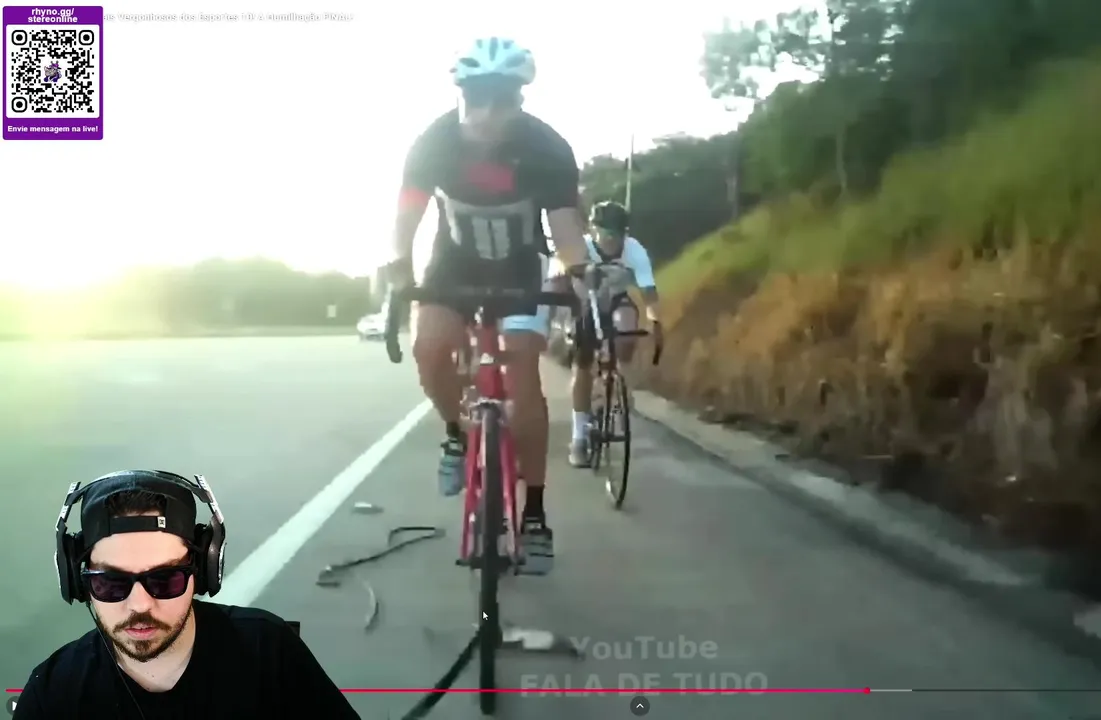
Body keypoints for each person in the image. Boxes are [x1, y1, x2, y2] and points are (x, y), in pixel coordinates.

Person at [382, 37, 590, 574]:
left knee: (523, 370)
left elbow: (566, 232)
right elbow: (406, 217)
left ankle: (535, 513)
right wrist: (398, 265)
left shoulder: (546, 148)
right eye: (476, 97)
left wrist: (578, 275)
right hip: (453, 266)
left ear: (521, 100)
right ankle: (456, 433)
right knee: (430, 349)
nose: (488, 112)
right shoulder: (434, 142)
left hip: (521, 266)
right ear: (460, 96)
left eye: (503, 99)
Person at [15, 470, 358, 719]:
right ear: (78, 583)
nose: (140, 604)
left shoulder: (270, 651)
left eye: (165, 579)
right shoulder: (52, 695)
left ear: (203, 571)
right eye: (111, 583)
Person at [564, 201, 664, 467]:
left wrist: (656, 322)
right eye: (604, 233)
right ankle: (578, 436)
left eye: (616, 234)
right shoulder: (582, 248)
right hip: (586, 303)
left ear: (624, 233)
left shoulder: (635, 250)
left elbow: (648, 292)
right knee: (582, 365)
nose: (610, 240)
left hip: (618, 300)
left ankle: (617, 377)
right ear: (593, 230)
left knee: (627, 329)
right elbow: (561, 273)